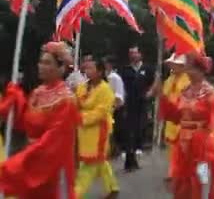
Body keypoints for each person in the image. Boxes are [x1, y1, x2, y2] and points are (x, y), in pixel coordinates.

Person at [0, 41, 80, 198]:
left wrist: (19, 162)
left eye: (47, 63)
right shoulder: (38, 92)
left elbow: (53, 141)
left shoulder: (66, 99)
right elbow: (26, 123)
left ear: (61, 67)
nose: (41, 66)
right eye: (41, 62)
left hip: (51, 164)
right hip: (34, 158)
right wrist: (15, 98)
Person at [150, 51, 214, 198]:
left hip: (203, 145)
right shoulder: (185, 92)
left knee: (203, 179)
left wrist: (210, 145)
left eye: (190, 67)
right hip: (183, 143)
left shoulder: (210, 94)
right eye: (187, 67)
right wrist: (161, 97)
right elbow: (176, 115)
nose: (187, 71)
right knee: (183, 181)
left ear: (200, 70)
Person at [74, 56, 120, 199]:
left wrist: (80, 117)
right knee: (100, 162)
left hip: (99, 131)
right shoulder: (82, 87)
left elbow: (99, 113)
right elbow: (75, 104)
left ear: (100, 72)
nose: (86, 70)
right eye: (86, 68)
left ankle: (76, 194)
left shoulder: (106, 90)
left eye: (90, 68)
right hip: (83, 132)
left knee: (89, 165)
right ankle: (112, 187)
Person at [119, 45, 155, 171]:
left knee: (141, 127)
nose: (133, 55)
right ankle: (130, 155)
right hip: (129, 103)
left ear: (140, 54)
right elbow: (121, 86)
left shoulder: (147, 69)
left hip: (143, 102)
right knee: (129, 130)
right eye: (131, 53)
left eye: (135, 53)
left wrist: (150, 93)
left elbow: (155, 83)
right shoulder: (125, 69)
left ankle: (137, 149)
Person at [161, 54, 190, 182]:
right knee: (172, 146)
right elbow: (165, 94)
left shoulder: (188, 79)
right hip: (172, 118)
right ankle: (173, 171)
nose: (172, 66)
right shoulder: (170, 79)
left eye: (175, 64)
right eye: (172, 64)